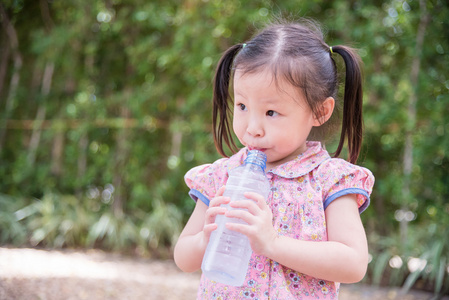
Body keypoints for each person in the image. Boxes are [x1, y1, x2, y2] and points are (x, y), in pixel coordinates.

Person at [174, 17, 375, 299]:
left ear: (320, 111)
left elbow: (353, 264)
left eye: (271, 113)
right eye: (242, 106)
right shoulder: (222, 176)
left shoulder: (328, 180)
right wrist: (206, 239)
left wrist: (273, 243)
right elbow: (183, 258)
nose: (253, 128)